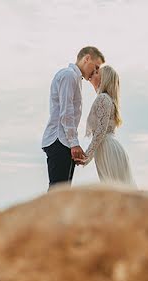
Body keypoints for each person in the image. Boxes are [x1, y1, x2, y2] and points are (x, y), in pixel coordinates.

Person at [41, 46, 105, 189]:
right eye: (95, 67)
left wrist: (73, 144)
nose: (95, 72)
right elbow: (66, 112)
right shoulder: (69, 75)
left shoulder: (75, 79)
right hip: (59, 140)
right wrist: (74, 143)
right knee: (58, 193)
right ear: (87, 58)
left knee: (63, 194)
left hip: (64, 142)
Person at [82, 65, 135, 186]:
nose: (92, 74)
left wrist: (86, 156)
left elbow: (101, 131)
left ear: (103, 79)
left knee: (115, 192)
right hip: (108, 148)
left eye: (96, 73)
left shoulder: (103, 98)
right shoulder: (108, 99)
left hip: (107, 149)